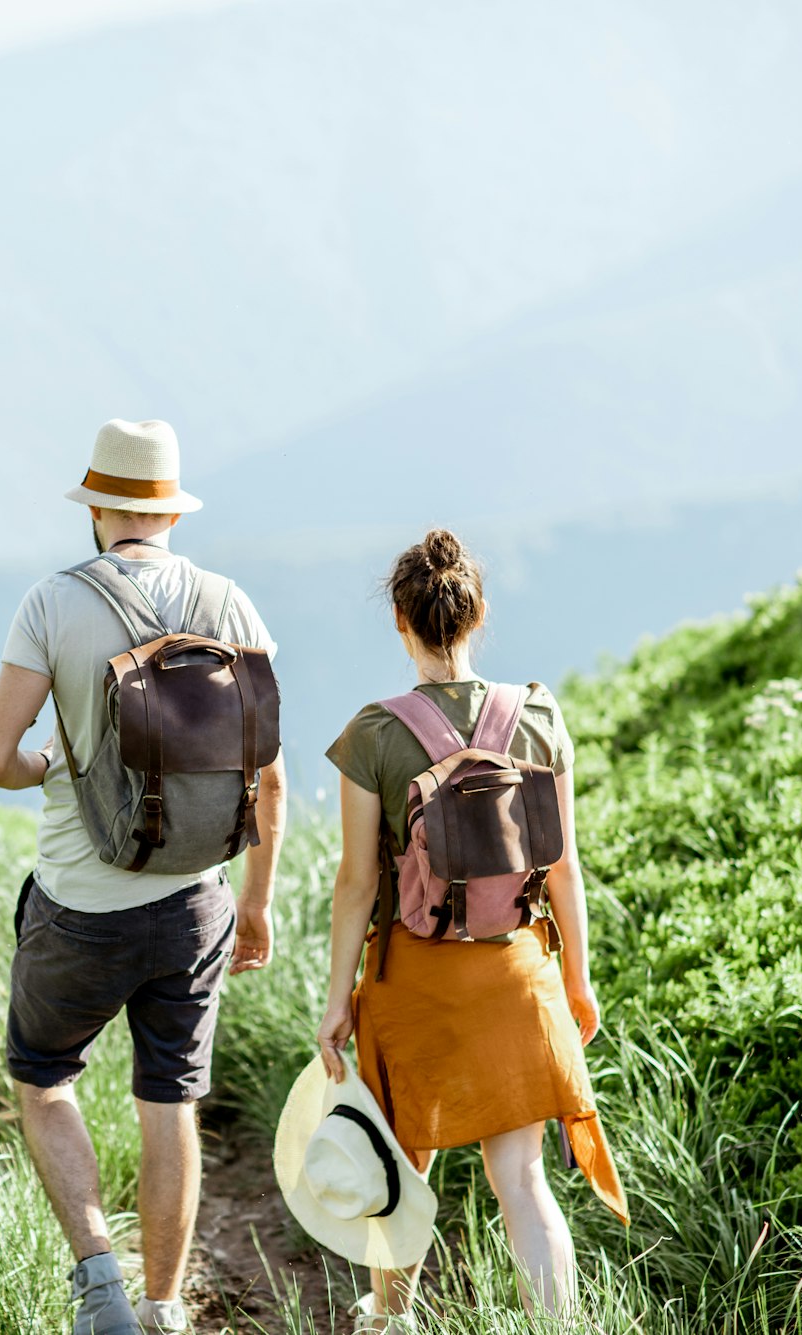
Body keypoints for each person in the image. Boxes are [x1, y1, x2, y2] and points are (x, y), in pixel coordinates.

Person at [0, 419, 288, 1335]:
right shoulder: (231, 604)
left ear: (100, 507)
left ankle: (98, 1280)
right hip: (198, 901)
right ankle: (163, 1307)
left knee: (43, 1075)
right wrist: (257, 902)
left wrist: (55, 767)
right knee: (170, 1097)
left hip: (80, 902)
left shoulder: (51, 604)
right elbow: (268, 778)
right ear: (170, 511)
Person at [315, 528, 628, 1330]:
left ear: (399, 619)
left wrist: (337, 1001)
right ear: (479, 612)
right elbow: (564, 871)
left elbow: (357, 883)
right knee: (523, 1179)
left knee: (403, 1167)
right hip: (517, 976)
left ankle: (393, 1319)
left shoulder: (374, 737)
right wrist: (578, 980)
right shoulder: (540, 718)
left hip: (414, 978)